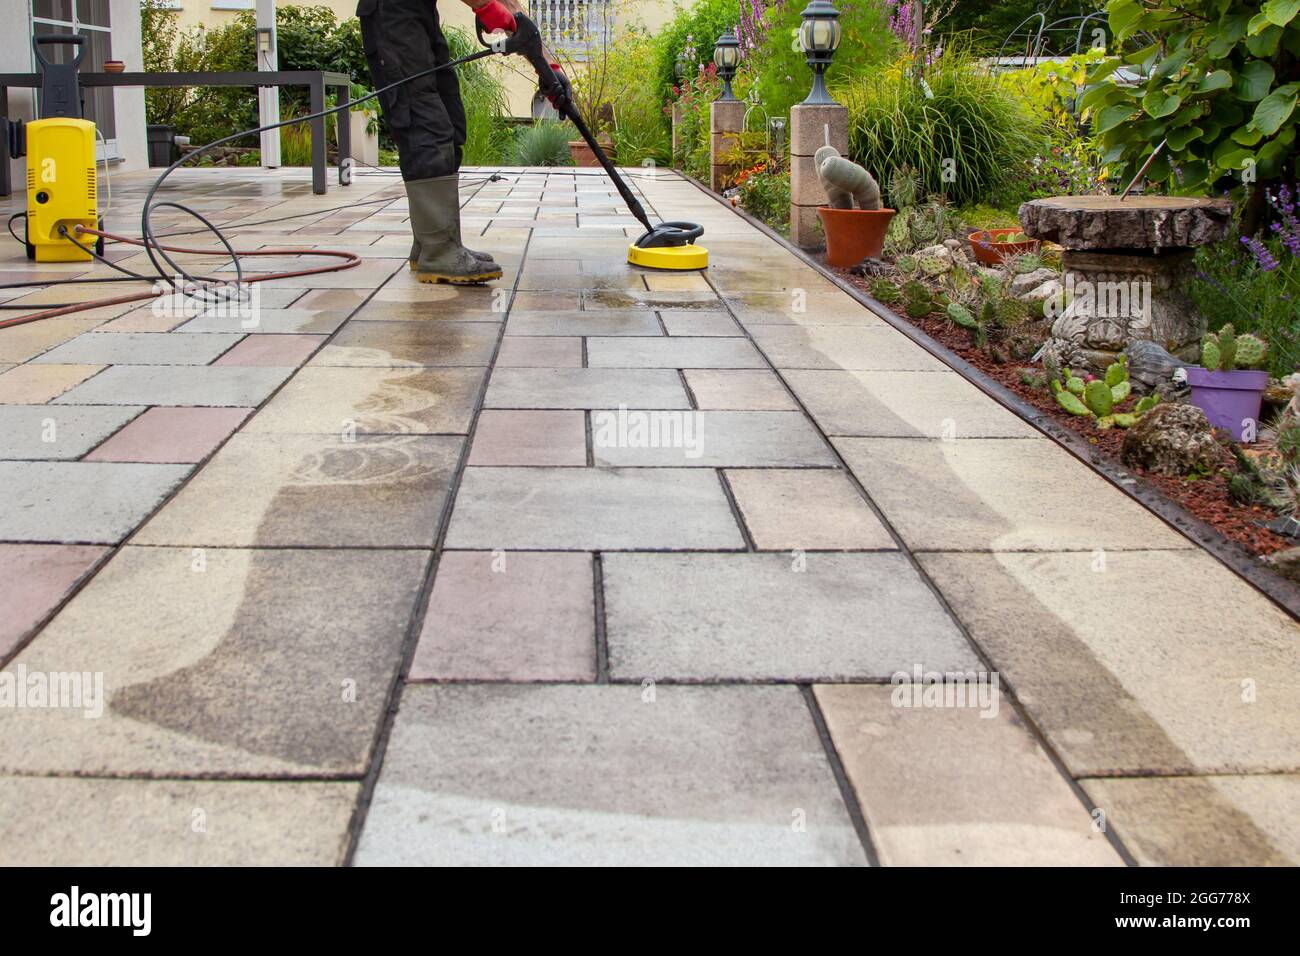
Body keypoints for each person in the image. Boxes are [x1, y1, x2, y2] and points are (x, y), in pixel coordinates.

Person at [355, 0, 564, 284]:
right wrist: (487, 7)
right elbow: (495, 5)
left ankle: (432, 242)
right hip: (391, 13)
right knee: (424, 121)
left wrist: (550, 67)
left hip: (419, 14)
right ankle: (439, 253)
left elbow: (511, 7)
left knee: (450, 122)